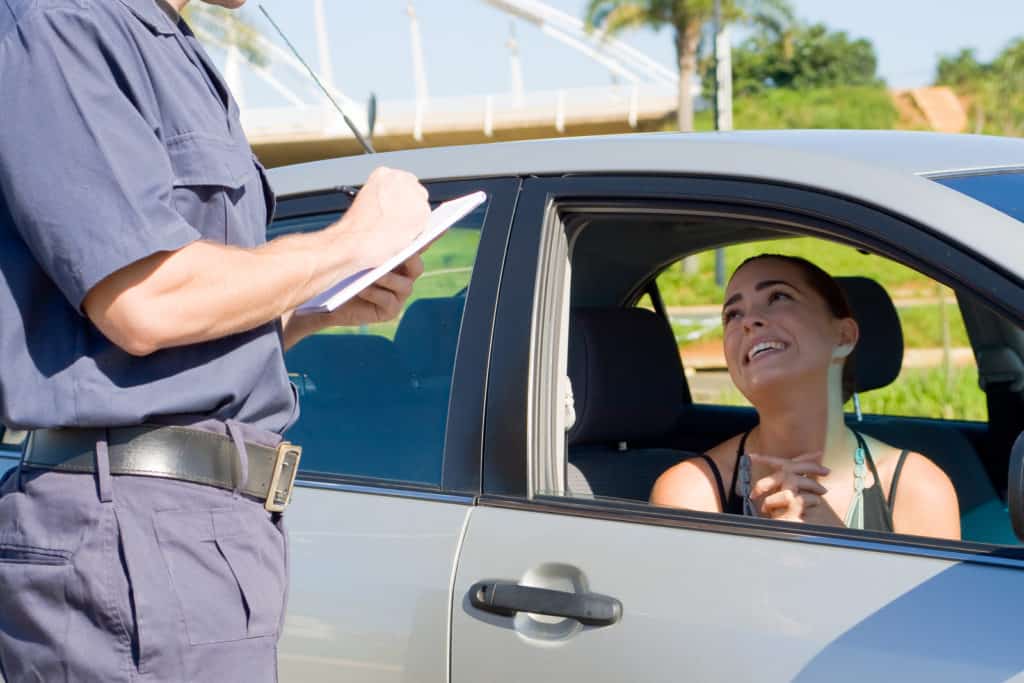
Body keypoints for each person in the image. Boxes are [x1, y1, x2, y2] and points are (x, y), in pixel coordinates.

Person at [0, 0, 431, 680]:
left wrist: (314, 308)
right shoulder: (65, 19)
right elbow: (143, 301)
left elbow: (176, 339)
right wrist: (347, 244)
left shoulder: (170, 46)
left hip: (201, 530)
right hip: (133, 530)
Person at [651, 255, 960, 540]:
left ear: (844, 336)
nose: (748, 320)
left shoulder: (917, 487)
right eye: (732, 314)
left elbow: (936, 603)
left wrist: (835, 545)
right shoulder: (690, 492)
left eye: (778, 297)